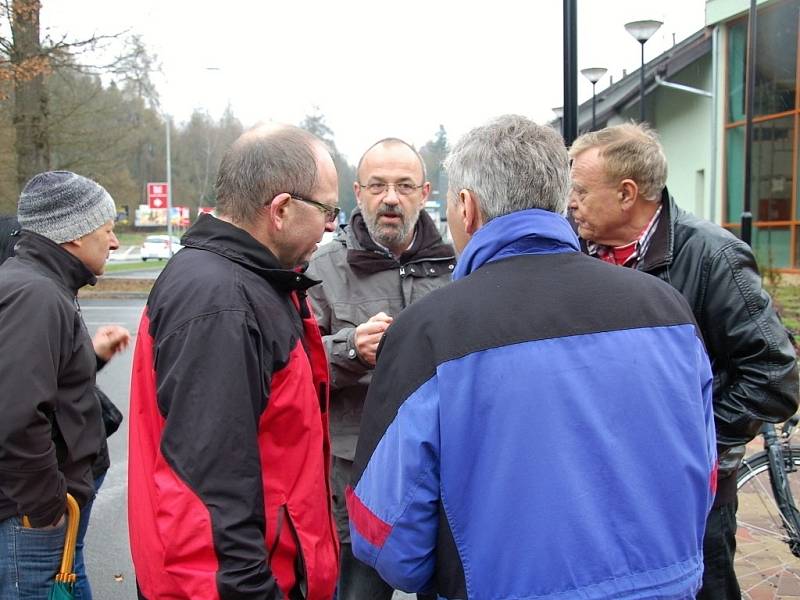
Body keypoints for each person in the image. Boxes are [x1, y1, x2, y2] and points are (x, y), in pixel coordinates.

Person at [348, 115, 718, 599]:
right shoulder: (665, 307)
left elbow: (386, 535)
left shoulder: (431, 331)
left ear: (466, 206)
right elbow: (703, 471)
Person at [568, 122, 799, 599]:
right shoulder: (574, 251)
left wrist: (692, 445)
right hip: (601, 484)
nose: (569, 202)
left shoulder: (713, 257)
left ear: (628, 193)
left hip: (689, 496)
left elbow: (776, 374)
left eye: (581, 191)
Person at [128, 124, 340, 600]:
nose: (332, 225)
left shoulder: (245, 282)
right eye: (327, 209)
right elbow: (207, 502)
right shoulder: (222, 300)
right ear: (282, 210)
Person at [306, 137, 455, 600]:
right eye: (378, 185)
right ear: (358, 190)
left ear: (424, 190)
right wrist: (350, 349)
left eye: (404, 185)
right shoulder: (323, 265)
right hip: (357, 479)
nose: (391, 197)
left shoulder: (457, 263)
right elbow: (295, 361)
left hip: (443, 474)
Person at [0, 172, 128, 599]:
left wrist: (90, 357)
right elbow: (15, 416)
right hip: (35, 519)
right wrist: (47, 507)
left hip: (49, 513)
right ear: (73, 235)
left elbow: (40, 384)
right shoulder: (35, 294)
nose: (113, 242)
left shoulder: (42, 283)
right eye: (107, 230)